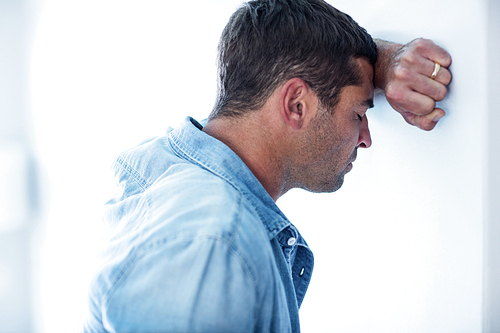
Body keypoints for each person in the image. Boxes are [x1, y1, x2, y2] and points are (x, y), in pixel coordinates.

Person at [82, 0, 451, 332]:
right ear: (296, 105)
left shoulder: (171, 170)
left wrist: (382, 61)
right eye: (358, 113)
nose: (365, 138)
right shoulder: (212, 243)